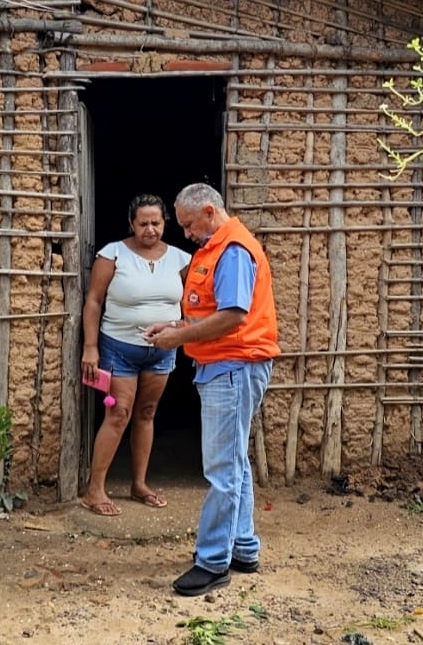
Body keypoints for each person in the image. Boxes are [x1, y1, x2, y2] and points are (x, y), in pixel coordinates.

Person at [144, 183, 279, 597]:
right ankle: (243, 547)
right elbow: (209, 311)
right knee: (234, 463)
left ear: (208, 211)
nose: (185, 234)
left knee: (221, 469)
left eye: (187, 225)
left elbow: (233, 316)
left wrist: (177, 341)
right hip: (227, 365)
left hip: (234, 365)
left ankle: (213, 561)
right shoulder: (217, 248)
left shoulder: (233, 250)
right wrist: (177, 328)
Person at [80, 194, 192, 517]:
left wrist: (179, 328)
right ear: (131, 223)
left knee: (146, 412)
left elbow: (195, 305)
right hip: (119, 347)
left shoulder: (181, 260)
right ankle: (94, 489)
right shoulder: (112, 254)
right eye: (142, 223)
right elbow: (93, 302)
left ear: (165, 223)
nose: (150, 229)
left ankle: (139, 484)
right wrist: (91, 347)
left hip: (161, 352)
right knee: (119, 414)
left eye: (156, 223)